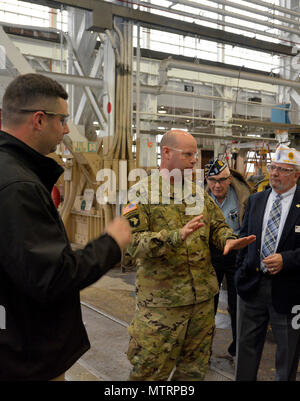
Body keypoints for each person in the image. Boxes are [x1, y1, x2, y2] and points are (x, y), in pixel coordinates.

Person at [0, 73, 132, 381]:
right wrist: (110, 242)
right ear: (39, 120)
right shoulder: (19, 186)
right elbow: (52, 276)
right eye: (62, 121)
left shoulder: (14, 174)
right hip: (24, 356)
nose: (65, 129)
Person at [123, 129, 255, 381]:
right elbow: (131, 244)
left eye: (195, 155)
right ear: (166, 153)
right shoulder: (142, 193)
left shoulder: (197, 193)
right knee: (150, 373)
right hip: (162, 307)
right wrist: (174, 237)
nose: (195, 160)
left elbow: (217, 224)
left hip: (202, 304)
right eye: (189, 154)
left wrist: (228, 239)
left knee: (193, 372)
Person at [235, 144, 300, 381]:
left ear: (296, 175)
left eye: (282, 170)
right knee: (246, 350)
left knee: (287, 355)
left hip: (290, 292)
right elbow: (244, 238)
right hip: (252, 287)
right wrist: (240, 273)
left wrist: (287, 259)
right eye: (273, 167)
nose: (274, 173)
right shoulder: (256, 200)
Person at [205, 159, 251, 360]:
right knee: (208, 305)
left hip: (237, 252)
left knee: (237, 304)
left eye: (222, 180)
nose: (217, 185)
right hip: (211, 253)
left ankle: (238, 350)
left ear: (230, 179)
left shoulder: (244, 197)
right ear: (206, 180)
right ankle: (202, 350)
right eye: (212, 180)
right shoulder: (197, 198)